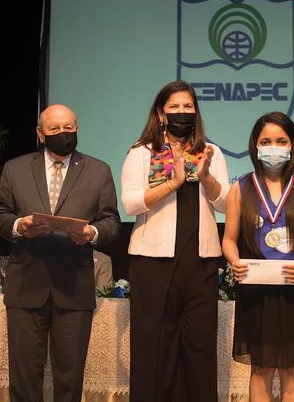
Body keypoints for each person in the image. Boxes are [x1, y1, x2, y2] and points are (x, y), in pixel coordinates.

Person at [0, 104, 121, 402]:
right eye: (54, 129)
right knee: (24, 377)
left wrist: (91, 233)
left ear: (77, 129)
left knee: (69, 378)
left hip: (74, 286)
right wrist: (19, 226)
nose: (63, 134)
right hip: (26, 284)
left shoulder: (99, 170)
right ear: (40, 134)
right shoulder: (15, 168)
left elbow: (112, 223)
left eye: (69, 128)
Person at [121, 80, 229, 401]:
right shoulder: (142, 152)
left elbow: (226, 204)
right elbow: (130, 202)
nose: (183, 112)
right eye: (175, 107)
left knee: (199, 351)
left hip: (200, 262)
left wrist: (206, 176)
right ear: (161, 113)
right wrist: (173, 183)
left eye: (188, 106)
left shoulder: (211, 151)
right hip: (153, 264)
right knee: (153, 349)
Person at [222, 111, 294, 402]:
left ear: (292, 144)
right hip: (256, 291)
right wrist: (235, 262)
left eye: (281, 141)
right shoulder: (240, 188)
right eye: (266, 141)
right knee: (261, 369)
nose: (274, 147)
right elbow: (228, 240)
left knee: (293, 368)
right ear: (255, 144)